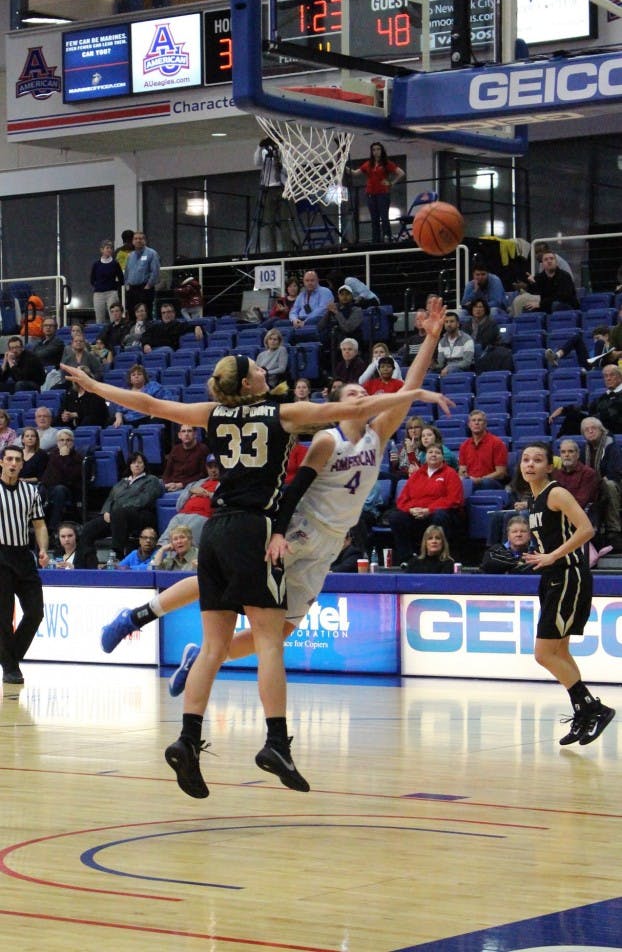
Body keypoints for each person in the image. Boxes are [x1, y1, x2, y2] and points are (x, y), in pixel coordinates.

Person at [64, 309, 446, 798]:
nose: (267, 368)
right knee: (269, 641)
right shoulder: (300, 423)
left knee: (248, 634)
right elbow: (331, 437)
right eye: (258, 367)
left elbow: (150, 403)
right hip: (277, 529)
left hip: (237, 529)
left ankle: (186, 732)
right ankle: (275, 741)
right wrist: (419, 392)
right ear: (249, 382)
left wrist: (95, 387)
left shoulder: (216, 412)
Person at [520, 442, 615, 746]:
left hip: (568, 575)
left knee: (543, 653)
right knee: (559, 651)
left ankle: (593, 708)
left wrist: (553, 556)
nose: (530, 464)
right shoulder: (533, 500)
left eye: (537, 460)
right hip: (552, 576)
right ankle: (584, 711)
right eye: (525, 459)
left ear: (550, 466)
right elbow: (552, 541)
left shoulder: (556, 493)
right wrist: (536, 556)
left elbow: (586, 529)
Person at [0, 444, 49, 684]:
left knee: (36, 611)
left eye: (17, 460)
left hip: (23, 555)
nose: (13, 463)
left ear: (22, 464)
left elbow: (39, 524)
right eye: (9, 459)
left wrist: (42, 549)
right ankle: (10, 668)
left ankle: (11, 658)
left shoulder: (31, 492)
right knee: (3, 616)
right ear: (1, 462)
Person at [73, 451, 162, 568]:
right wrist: (106, 511)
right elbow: (110, 499)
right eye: (134, 462)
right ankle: (85, 564)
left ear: (144, 465)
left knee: (119, 513)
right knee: (88, 529)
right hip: (116, 516)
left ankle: (117, 555)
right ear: (129, 465)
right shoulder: (122, 482)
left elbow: (143, 500)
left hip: (141, 515)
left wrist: (116, 510)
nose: (137, 465)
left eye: (140, 463)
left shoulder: (151, 480)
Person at [387, 444, 464, 564]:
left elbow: (454, 499)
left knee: (440, 515)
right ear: (425, 457)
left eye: (437, 453)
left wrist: (429, 510)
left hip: (438, 514)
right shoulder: (417, 475)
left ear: (443, 457)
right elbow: (402, 500)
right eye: (430, 452)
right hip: (416, 514)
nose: (433, 454)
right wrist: (411, 509)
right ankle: (407, 558)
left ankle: (440, 558)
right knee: (395, 517)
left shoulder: (450, 474)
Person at [348, 142, 405, 244]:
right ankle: (376, 241)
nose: (376, 152)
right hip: (371, 194)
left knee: (384, 217)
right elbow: (355, 173)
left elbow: (401, 173)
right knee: (374, 219)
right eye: (374, 150)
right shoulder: (368, 164)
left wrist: (391, 183)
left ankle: (387, 238)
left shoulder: (386, 163)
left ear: (381, 150)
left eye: (378, 149)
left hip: (383, 194)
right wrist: (343, 167)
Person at [580, 416, 622, 551]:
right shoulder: (583, 450)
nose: (590, 431)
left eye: (594, 428)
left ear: (601, 430)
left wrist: (600, 480)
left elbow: (615, 471)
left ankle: (613, 530)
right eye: (587, 430)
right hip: (592, 485)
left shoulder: (611, 445)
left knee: (608, 485)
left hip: (613, 485)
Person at [157, 458, 221, 547]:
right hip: (182, 514)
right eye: (210, 467)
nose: (213, 470)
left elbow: (224, 500)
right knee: (165, 538)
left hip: (202, 515)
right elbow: (179, 505)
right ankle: (159, 558)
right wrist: (190, 491)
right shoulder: (197, 483)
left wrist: (207, 494)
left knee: (184, 540)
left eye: (216, 467)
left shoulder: (224, 483)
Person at [253, 137, 295, 252]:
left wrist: (279, 159)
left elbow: (288, 169)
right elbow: (257, 163)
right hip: (268, 188)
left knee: (284, 221)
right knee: (269, 222)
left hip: (281, 188)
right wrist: (260, 146)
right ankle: (272, 250)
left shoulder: (284, 151)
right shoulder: (265, 151)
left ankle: (288, 250)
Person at [40, 429, 84, 533]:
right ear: (57, 442)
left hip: (69, 490)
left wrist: (65, 457)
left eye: (68, 440)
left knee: (59, 490)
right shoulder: (51, 455)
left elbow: (69, 478)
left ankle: (53, 527)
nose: (65, 443)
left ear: (72, 442)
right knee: (39, 489)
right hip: (49, 487)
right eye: (62, 440)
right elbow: (47, 477)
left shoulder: (78, 457)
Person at [510, 249, 578, 316]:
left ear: (556, 262)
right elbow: (536, 292)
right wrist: (529, 284)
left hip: (566, 306)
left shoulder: (565, 276)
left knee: (556, 304)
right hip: (547, 305)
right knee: (528, 307)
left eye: (551, 259)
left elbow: (561, 297)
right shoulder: (540, 277)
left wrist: (540, 304)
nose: (549, 261)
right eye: (546, 259)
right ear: (542, 264)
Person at [458, 409, 508, 490]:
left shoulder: (496, 443)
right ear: (469, 424)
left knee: (485, 483)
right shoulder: (464, 445)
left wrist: (480, 480)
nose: (476, 423)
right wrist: (465, 476)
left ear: (485, 424)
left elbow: (501, 473)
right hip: (471, 481)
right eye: (473, 420)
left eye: (480, 420)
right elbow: (462, 470)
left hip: (490, 482)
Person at [111, 364, 168, 428]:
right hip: (129, 420)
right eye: (133, 375)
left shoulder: (153, 386)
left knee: (157, 420)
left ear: (144, 377)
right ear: (130, 379)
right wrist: (118, 418)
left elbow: (164, 401)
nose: (136, 376)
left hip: (148, 417)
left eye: (139, 374)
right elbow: (119, 410)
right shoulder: (125, 392)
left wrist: (156, 412)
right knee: (112, 421)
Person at [162, 424, 209, 492]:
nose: (186, 434)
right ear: (179, 435)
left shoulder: (203, 449)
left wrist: (181, 484)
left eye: (189, 431)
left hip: (191, 485)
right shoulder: (175, 449)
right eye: (183, 431)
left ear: (195, 434)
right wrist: (167, 484)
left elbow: (203, 475)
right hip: (171, 484)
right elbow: (167, 472)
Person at [318, 282, 364, 350]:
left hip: (351, 343)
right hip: (333, 343)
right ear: (338, 296)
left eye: (347, 294)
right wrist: (328, 312)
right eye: (342, 294)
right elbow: (320, 327)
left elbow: (348, 329)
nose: (344, 297)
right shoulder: (335, 307)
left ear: (352, 296)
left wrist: (337, 313)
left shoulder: (357, 310)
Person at [124, 231, 160, 315]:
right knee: (132, 315)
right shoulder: (130, 255)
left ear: (145, 240)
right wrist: (127, 286)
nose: (138, 241)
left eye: (140, 238)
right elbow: (127, 272)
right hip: (132, 290)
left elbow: (155, 272)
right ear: (133, 241)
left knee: (146, 315)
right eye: (135, 239)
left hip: (145, 289)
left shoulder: (152, 253)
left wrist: (148, 286)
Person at [90, 239, 124, 323]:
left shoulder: (115, 264)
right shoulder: (96, 264)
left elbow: (121, 279)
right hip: (98, 294)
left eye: (111, 248)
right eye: (107, 248)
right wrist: (98, 286)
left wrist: (114, 286)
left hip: (111, 293)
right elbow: (92, 279)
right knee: (99, 318)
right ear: (102, 250)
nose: (109, 250)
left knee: (114, 317)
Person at [436, 311, 475, 375]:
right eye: (446, 322)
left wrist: (449, 367)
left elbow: (467, 363)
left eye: (452, 321)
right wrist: (433, 366)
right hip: (446, 370)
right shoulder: (442, 342)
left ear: (458, 324)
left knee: (450, 371)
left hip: (463, 371)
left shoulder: (467, 339)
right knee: (427, 373)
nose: (449, 324)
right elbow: (441, 364)